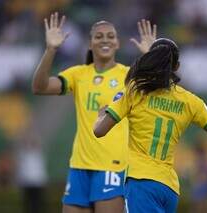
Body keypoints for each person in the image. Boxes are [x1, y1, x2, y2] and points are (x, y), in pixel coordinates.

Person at [32, 12, 156, 213]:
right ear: (89, 43)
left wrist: (151, 57)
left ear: (118, 43)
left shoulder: (128, 75)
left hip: (112, 166)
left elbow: (158, 92)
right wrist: (50, 50)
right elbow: (39, 87)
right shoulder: (78, 74)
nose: (105, 39)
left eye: (110, 36)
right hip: (79, 166)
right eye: (99, 36)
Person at [94, 38, 207, 213]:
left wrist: (99, 117)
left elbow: (99, 131)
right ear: (177, 66)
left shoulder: (135, 92)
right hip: (169, 188)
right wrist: (205, 111)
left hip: (141, 181)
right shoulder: (191, 101)